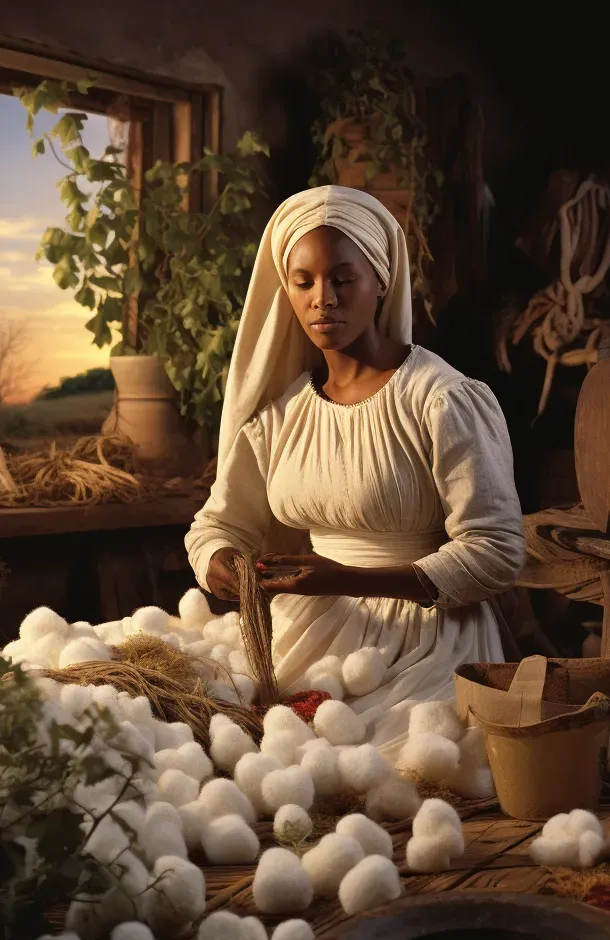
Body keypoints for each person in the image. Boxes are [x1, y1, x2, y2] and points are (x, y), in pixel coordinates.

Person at [185, 185, 525, 758]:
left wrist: (347, 579)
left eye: (344, 279)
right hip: (303, 633)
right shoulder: (279, 417)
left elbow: (497, 550)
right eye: (305, 281)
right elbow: (218, 523)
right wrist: (219, 560)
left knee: (373, 762)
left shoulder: (442, 401)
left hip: (423, 639)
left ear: (381, 281)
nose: (324, 299)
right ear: (286, 290)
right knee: (220, 737)